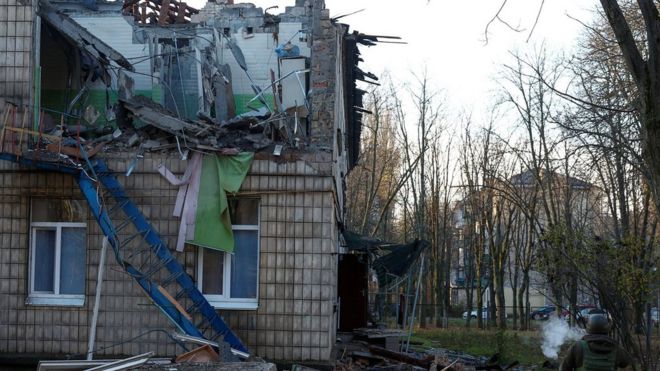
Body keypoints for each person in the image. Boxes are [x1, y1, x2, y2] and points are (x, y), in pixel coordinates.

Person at [559, 313, 633, 370]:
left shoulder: (578, 347)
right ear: (607, 329)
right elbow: (626, 363)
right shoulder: (616, 348)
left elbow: (563, 368)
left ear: (588, 328)